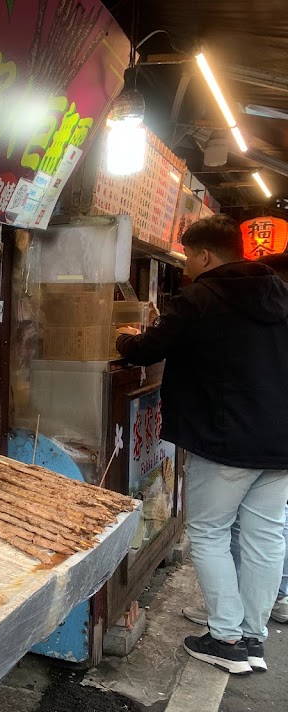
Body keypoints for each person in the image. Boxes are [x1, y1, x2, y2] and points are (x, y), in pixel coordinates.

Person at [115, 214, 288, 675]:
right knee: (265, 536)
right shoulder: (281, 296)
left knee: (210, 531)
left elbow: (146, 349)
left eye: (189, 256)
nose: (187, 265)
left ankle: (227, 637)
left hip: (226, 437)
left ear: (205, 254)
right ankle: (252, 635)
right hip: (280, 441)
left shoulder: (201, 297)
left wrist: (122, 338)